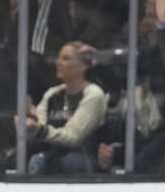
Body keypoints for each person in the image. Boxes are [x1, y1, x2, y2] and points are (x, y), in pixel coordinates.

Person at [26, 41, 108, 174]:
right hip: (53, 155)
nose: (58, 63)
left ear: (83, 66)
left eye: (66, 59)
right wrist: (31, 120)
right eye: (59, 58)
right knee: (36, 161)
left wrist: (39, 130)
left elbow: (73, 137)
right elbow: (39, 124)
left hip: (84, 157)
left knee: (70, 163)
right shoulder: (52, 93)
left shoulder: (93, 94)